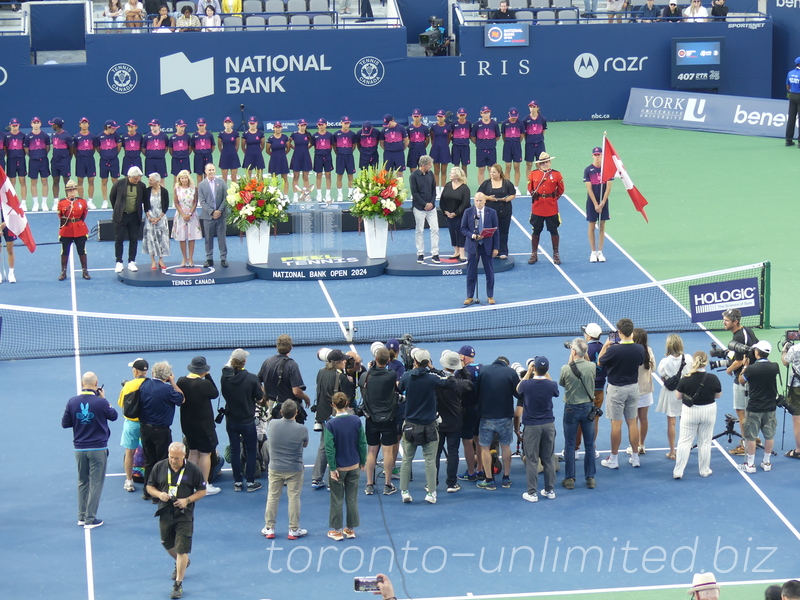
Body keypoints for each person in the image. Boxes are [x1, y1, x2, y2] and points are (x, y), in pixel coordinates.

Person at [145, 441, 207, 600]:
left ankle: (178, 584)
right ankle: (183, 562)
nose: (173, 461)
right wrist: (159, 495)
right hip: (165, 512)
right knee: (167, 543)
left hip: (184, 514)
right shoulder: (159, 467)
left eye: (177, 458)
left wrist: (187, 500)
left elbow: (202, 491)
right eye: (171, 457)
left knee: (182, 548)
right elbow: (149, 487)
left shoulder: (193, 470)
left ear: (184, 456)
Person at [62, 371, 118, 528]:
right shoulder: (101, 402)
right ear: (96, 385)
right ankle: (90, 519)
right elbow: (113, 415)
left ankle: (81, 516)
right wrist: (104, 399)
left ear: (81, 384)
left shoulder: (72, 402)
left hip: (79, 449)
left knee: (83, 481)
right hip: (98, 449)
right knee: (96, 483)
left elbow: (65, 423)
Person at [398, 348, 454, 504]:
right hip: (429, 426)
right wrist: (432, 368)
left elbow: (400, 387)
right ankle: (431, 493)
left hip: (410, 425)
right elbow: (446, 381)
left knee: (407, 460)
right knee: (430, 461)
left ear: (415, 361)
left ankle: (404, 491)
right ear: (428, 362)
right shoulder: (432, 378)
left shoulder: (407, 376)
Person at [598, 318, 645, 469]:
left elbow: (599, 362)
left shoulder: (613, 350)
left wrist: (606, 345)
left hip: (616, 390)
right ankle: (635, 458)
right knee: (632, 422)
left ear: (619, 332)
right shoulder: (640, 349)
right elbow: (638, 363)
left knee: (616, 425)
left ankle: (614, 459)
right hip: (633, 389)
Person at [263, 400, 309, 540]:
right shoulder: (302, 429)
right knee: (294, 498)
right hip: (294, 469)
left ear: (281, 412)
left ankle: (269, 528)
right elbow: (305, 444)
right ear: (296, 412)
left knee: (272, 497)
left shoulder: (272, 424)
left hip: (275, 468)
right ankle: (293, 529)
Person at [139, 361, 185, 500]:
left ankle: (147, 492)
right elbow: (181, 398)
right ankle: (158, 495)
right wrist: (172, 382)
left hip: (145, 430)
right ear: (167, 376)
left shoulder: (144, 385)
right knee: (163, 462)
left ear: (153, 373)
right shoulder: (168, 389)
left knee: (149, 460)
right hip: (161, 432)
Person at [220, 348, 264, 492]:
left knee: (234, 449)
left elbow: (226, 371)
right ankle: (250, 482)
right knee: (251, 450)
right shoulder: (252, 378)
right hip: (247, 421)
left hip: (231, 421)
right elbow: (259, 398)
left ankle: (238, 482)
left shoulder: (224, 378)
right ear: (244, 361)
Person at [672, 351, 721, 479]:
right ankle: (704, 470)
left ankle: (678, 471)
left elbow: (678, 396)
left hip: (690, 412)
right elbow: (718, 395)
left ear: (694, 362)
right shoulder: (713, 378)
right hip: (708, 411)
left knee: (684, 442)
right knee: (705, 442)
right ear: (706, 362)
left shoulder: (685, 379)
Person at [325, 392, 367, 539]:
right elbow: (362, 442)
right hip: (354, 465)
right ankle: (350, 529)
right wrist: (363, 461)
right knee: (352, 498)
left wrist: (332, 468)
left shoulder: (330, 424)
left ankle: (337, 531)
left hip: (339, 468)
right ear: (348, 403)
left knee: (336, 499)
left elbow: (330, 448)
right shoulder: (356, 420)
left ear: (333, 405)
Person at [177, 356, 221, 495]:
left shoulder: (181, 381)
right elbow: (215, 393)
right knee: (205, 454)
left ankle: (189, 484)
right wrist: (208, 376)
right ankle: (203, 485)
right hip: (204, 426)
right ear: (203, 370)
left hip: (187, 425)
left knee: (193, 452)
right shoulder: (204, 384)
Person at [517, 356, 559, 502]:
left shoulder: (526, 385)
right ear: (547, 369)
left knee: (532, 460)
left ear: (534, 368)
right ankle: (550, 490)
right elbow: (554, 387)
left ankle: (532, 493)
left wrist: (529, 372)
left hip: (532, 428)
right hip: (548, 426)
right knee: (548, 459)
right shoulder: (552, 384)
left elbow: (518, 388)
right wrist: (544, 372)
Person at [360, 347, 400, 496]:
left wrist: (370, 369)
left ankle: (369, 484)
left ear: (375, 359)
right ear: (388, 360)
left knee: (371, 450)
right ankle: (388, 484)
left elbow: (362, 386)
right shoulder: (391, 375)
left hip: (372, 419)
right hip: (388, 418)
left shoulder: (365, 376)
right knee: (387, 451)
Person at [476, 356, 520, 490]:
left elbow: (477, 391)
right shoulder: (511, 372)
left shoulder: (483, 370)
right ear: (507, 363)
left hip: (486, 417)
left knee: (484, 448)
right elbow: (519, 394)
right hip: (505, 417)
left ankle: (489, 479)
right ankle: (506, 478)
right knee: (505, 446)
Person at [310, 349, 353, 489]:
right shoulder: (341, 378)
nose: (345, 361)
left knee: (323, 446)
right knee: (337, 448)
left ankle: (316, 479)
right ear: (338, 362)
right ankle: (332, 481)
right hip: (336, 418)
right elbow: (349, 397)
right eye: (343, 360)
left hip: (323, 416)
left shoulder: (320, 372)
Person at [558, 338, 597, 490]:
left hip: (571, 410)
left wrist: (572, 356)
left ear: (573, 351)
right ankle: (590, 478)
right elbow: (587, 365)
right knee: (589, 445)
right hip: (588, 409)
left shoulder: (566, 369)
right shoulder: (592, 366)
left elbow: (562, 383)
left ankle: (569, 479)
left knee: (569, 444)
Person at [722, 307, 759, 454]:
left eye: (727, 320)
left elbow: (738, 361)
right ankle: (754, 438)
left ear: (735, 322)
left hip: (743, 379)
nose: (724, 322)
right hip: (753, 376)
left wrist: (729, 369)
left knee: (741, 411)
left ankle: (745, 444)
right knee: (750, 410)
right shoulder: (748, 330)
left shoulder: (737, 337)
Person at [739, 340, 780, 473]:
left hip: (755, 407)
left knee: (751, 436)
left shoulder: (751, 369)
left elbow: (741, 380)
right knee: (769, 435)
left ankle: (750, 465)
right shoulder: (775, 366)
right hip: (770, 407)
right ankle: (766, 462)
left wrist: (745, 366)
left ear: (757, 353)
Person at [435, 350, 472, 493]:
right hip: (455, 422)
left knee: (435, 454)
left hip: (438, 422)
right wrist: (462, 368)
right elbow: (469, 383)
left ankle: (433, 482)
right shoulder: (459, 383)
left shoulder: (436, 381)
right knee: (453, 452)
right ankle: (451, 483)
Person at [257, 333, 311, 422]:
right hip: (290, 408)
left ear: (277, 346)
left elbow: (257, 380)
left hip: (272, 406)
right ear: (291, 347)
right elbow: (296, 392)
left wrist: (264, 394)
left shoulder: (267, 362)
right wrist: (306, 398)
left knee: (274, 432)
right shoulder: (292, 365)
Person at [460, 192, 499, 305]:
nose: (479, 203)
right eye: (477, 201)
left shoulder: (492, 213)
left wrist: (496, 248)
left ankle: (490, 296)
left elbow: (496, 231)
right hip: (473, 247)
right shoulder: (468, 212)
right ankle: (469, 296)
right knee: (471, 272)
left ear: (485, 201)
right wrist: (473, 236)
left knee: (489, 273)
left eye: (481, 201)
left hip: (487, 247)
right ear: (474, 201)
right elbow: (463, 229)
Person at [527, 152, 564, 265]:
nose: (545, 164)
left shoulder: (557, 174)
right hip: (538, 207)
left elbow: (561, 190)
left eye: (546, 162)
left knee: (553, 230)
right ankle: (534, 254)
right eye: (542, 163)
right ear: (539, 164)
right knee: (536, 230)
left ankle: (556, 254)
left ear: (550, 162)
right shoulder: (534, 174)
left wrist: (552, 199)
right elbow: (530, 188)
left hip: (551, 207)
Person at [118, 357, 149, 493]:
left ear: (135, 371)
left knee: (129, 452)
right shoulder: (151, 384)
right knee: (150, 452)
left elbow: (121, 404)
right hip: (148, 424)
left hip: (131, 424)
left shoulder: (128, 386)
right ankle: (151, 481)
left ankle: (129, 481)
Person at [476, 163, 515, 260]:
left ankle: (503, 251)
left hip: (505, 211)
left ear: (499, 173)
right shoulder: (486, 183)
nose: (491, 174)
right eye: (491, 172)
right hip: (490, 212)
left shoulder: (506, 183)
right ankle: (491, 250)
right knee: (490, 231)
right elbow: (479, 194)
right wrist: (489, 198)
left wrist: (505, 199)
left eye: (494, 172)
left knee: (503, 231)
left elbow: (513, 194)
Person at [57, 180, 91, 280]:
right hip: (67, 229)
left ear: (76, 191)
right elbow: (61, 216)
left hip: (79, 228)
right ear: (67, 192)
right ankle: (63, 271)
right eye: (70, 190)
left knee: (82, 250)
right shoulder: (62, 202)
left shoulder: (82, 202)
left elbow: (84, 215)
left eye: (73, 190)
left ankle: (84, 270)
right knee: (64, 251)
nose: (72, 192)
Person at [456, 345, 482, 481]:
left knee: (467, 442)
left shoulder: (460, 372)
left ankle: (471, 472)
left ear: (463, 357)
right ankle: (480, 469)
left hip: (467, 411)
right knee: (479, 441)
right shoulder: (482, 368)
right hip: (480, 410)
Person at [629, 328, 655, 455]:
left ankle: (634, 447)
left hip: (633, 390)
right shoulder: (648, 351)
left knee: (633, 420)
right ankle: (641, 445)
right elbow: (653, 368)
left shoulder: (630, 351)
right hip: (646, 391)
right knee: (643, 418)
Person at [584, 146, 612, 262]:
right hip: (592, 203)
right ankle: (593, 252)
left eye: (599, 155)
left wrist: (602, 203)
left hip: (603, 202)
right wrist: (596, 204)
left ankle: (600, 252)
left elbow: (608, 188)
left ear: (602, 156)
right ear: (592, 156)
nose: (597, 157)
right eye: (595, 155)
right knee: (591, 226)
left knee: (602, 226)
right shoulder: (588, 170)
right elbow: (589, 189)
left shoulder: (607, 170)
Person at [409, 155, 439, 264]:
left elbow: (433, 190)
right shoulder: (413, 176)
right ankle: (420, 253)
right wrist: (424, 204)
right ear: (423, 165)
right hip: (419, 208)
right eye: (429, 165)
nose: (431, 167)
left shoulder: (430, 174)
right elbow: (414, 193)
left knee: (435, 229)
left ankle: (435, 253)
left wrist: (431, 203)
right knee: (419, 230)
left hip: (431, 208)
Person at [197, 163, 228, 268]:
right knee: (208, 239)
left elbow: (225, 197)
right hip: (208, 217)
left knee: (222, 238)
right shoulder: (201, 185)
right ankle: (209, 258)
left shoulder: (221, 182)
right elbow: (202, 201)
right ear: (205, 171)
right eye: (209, 170)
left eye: (213, 170)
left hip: (221, 215)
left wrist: (219, 211)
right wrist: (212, 212)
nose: (211, 172)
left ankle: (223, 258)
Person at [439, 166, 470, 260]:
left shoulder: (465, 188)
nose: (449, 174)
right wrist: (445, 211)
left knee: (461, 233)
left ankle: (462, 253)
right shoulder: (448, 185)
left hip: (461, 215)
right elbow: (442, 199)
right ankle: (456, 251)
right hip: (449, 215)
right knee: (452, 232)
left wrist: (456, 213)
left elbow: (465, 204)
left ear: (457, 175)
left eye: (451, 173)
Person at [171, 170, 201, 267]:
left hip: (192, 216)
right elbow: (176, 203)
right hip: (180, 217)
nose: (184, 180)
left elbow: (195, 202)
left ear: (188, 178)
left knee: (192, 238)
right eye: (182, 178)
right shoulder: (177, 188)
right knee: (182, 238)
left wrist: (189, 214)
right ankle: (184, 258)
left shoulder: (194, 188)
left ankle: (191, 259)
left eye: (185, 178)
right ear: (179, 179)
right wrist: (183, 214)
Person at [143, 173, 170, 271]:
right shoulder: (146, 191)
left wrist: (159, 218)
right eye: (149, 180)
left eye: (151, 180)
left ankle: (161, 260)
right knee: (151, 239)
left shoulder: (164, 191)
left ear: (157, 181)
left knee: (162, 239)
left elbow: (166, 206)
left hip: (161, 218)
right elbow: (145, 206)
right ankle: (153, 260)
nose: (149, 182)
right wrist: (149, 217)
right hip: (150, 218)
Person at [25, 117, 51, 212]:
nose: (36, 124)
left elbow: (48, 148)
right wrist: (33, 156)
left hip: (43, 161)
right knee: (33, 182)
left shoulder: (45, 136)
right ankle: (35, 204)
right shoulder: (28, 137)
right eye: (34, 123)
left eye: (37, 123)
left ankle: (44, 203)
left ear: (40, 124)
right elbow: (27, 149)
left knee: (44, 181)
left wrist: (42, 155)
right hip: (33, 161)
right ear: (31, 124)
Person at [780, 340, 800, 459]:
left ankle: (798, 451)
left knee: (797, 418)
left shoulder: (795, 349)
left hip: (796, 388)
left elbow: (785, 361)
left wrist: (784, 350)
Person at [471, 107, 501, 185]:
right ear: (481, 114)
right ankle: (482, 187)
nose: (486, 114)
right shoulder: (477, 125)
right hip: (480, 150)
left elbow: (498, 136)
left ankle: (491, 186)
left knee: (492, 169)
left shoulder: (494, 124)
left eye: (487, 112)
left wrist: (491, 143)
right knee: (481, 169)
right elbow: (472, 136)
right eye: (484, 113)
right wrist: (478, 144)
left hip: (491, 150)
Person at [96, 120, 121, 210]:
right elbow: (98, 149)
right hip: (103, 161)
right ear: (108, 127)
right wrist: (104, 155)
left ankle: (117, 199)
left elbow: (119, 146)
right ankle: (105, 201)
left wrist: (113, 154)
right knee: (104, 181)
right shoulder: (99, 136)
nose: (114, 130)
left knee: (115, 181)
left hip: (114, 161)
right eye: (113, 128)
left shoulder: (116, 135)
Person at [73, 118, 97, 207]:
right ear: (80, 125)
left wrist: (88, 154)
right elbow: (74, 150)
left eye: (85, 123)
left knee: (91, 180)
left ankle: (90, 201)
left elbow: (94, 148)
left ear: (88, 125)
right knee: (80, 180)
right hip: (80, 160)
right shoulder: (76, 137)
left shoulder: (93, 136)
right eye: (82, 123)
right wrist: (80, 156)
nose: (84, 125)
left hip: (90, 159)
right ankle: (81, 201)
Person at [49, 117, 73, 206]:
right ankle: (56, 202)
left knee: (66, 181)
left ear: (56, 125)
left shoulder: (66, 135)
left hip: (64, 161)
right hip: (55, 161)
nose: (52, 126)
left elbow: (71, 149)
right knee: (55, 181)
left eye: (53, 124)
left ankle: (68, 201)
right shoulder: (53, 135)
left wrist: (67, 159)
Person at [5, 118, 27, 210]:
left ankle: (24, 203)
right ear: (10, 126)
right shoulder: (7, 136)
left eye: (16, 125)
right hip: (11, 161)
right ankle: (13, 202)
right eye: (13, 126)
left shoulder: (23, 136)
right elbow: (6, 149)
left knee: (22, 181)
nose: (15, 127)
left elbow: (25, 149)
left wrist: (20, 155)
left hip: (21, 160)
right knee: (12, 182)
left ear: (19, 125)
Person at [333, 117, 356, 200]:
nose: (346, 125)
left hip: (349, 156)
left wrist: (348, 152)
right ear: (341, 123)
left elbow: (354, 146)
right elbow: (334, 146)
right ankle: (340, 195)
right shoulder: (336, 134)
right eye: (345, 123)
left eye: (348, 123)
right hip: (340, 157)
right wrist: (339, 154)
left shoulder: (352, 134)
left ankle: (350, 194)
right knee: (339, 176)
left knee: (350, 176)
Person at [265, 122, 291, 195]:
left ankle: (285, 195)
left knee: (285, 179)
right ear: (274, 128)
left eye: (279, 127)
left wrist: (282, 155)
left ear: (281, 128)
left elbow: (288, 149)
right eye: (276, 127)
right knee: (274, 179)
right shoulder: (270, 138)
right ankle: (275, 195)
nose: (278, 129)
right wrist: (274, 155)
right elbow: (267, 150)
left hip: (283, 160)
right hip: (274, 160)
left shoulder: (285, 137)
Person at [289, 119, 312, 201]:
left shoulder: (308, 134)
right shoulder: (294, 134)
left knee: (306, 177)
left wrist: (306, 148)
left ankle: (306, 195)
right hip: (296, 156)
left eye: (304, 125)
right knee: (296, 177)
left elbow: (311, 143)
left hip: (306, 156)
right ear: (298, 126)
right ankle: (295, 195)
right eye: (301, 125)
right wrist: (293, 148)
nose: (303, 127)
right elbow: (288, 142)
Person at [312, 118, 334, 202]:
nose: (321, 126)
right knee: (319, 175)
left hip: (327, 156)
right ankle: (319, 194)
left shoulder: (330, 135)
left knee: (328, 175)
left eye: (322, 124)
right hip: (318, 157)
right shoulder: (315, 136)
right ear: (317, 125)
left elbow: (331, 146)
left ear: (326, 125)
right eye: (319, 125)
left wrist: (326, 152)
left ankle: (328, 195)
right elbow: (315, 146)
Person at [429, 110, 451, 193]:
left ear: (444, 117)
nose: (440, 118)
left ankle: (443, 189)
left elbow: (448, 139)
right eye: (438, 116)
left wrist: (443, 145)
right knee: (436, 170)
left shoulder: (448, 127)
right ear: (436, 117)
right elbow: (432, 138)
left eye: (441, 116)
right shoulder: (433, 127)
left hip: (445, 150)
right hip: (435, 150)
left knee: (444, 170)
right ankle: (437, 189)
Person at [501, 108, 523, 192]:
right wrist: (508, 142)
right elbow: (503, 136)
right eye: (512, 116)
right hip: (507, 146)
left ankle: (516, 187)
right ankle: (508, 187)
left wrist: (516, 142)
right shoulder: (504, 123)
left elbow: (521, 136)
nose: (513, 118)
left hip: (517, 146)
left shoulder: (520, 123)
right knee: (508, 167)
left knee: (517, 167)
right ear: (509, 114)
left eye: (515, 116)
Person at [523, 101, 547, 174]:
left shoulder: (542, 119)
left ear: (537, 108)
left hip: (540, 144)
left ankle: (539, 182)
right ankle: (529, 182)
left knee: (539, 164)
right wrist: (529, 140)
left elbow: (543, 131)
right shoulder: (525, 120)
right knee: (529, 165)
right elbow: (524, 134)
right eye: (530, 107)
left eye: (534, 107)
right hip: (529, 145)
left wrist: (538, 138)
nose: (532, 109)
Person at [406, 109, 430, 174]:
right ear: (412, 117)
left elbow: (427, 140)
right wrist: (412, 146)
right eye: (414, 116)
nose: (416, 118)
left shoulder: (425, 128)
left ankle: (422, 184)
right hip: (412, 151)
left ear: (420, 116)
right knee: (412, 170)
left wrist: (422, 147)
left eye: (417, 116)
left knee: (423, 169)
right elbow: (406, 140)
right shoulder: (408, 128)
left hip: (422, 150)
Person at [217, 117, 240, 183]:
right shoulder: (221, 134)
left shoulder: (236, 134)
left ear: (232, 124)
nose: (227, 124)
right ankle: (224, 193)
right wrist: (225, 152)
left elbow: (237, 146)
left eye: (229, 122)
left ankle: (235, 192)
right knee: (224, 178)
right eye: (226, 122)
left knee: (234, 177)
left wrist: (232, 152)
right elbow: (219, 147)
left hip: (234, 157)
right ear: (223, 124)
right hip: (224, 157)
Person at [242, 116, 265, 181]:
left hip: (258, 156)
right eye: (251, 123)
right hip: (248, 156)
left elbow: (262, 146)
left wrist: (257, 151)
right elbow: (243, 146)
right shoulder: (245, 134)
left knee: (260, 176)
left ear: (256, 123)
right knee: (248, 177)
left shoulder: (260, 133)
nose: (252, 125)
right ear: (248, 123)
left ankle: (261, 190)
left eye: (253, 123)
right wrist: (247, 153)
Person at [451, 108, 472, 178]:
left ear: (466, 115)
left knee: (464, 166)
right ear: (457, 115)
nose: (462, 116)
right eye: (460, 115)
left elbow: (470, 134)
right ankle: (456, 181)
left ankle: (464, 182)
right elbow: (451, 134)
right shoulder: (454, 124)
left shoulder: (469, 124)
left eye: (463, 115)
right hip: (456, 147)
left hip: (465, 147)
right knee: (456, 166)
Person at [786, 57, 800, 147]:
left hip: (792, 96)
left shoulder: (790, 73)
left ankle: (788, 140)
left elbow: (787, 86)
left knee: (791, 118)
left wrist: (790, 93)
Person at [0, 210, 17, 283]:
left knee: (10, 250)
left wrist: (7, 222)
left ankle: (11, 273)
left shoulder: (9, 198)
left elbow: (15, 210)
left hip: (9, 224)